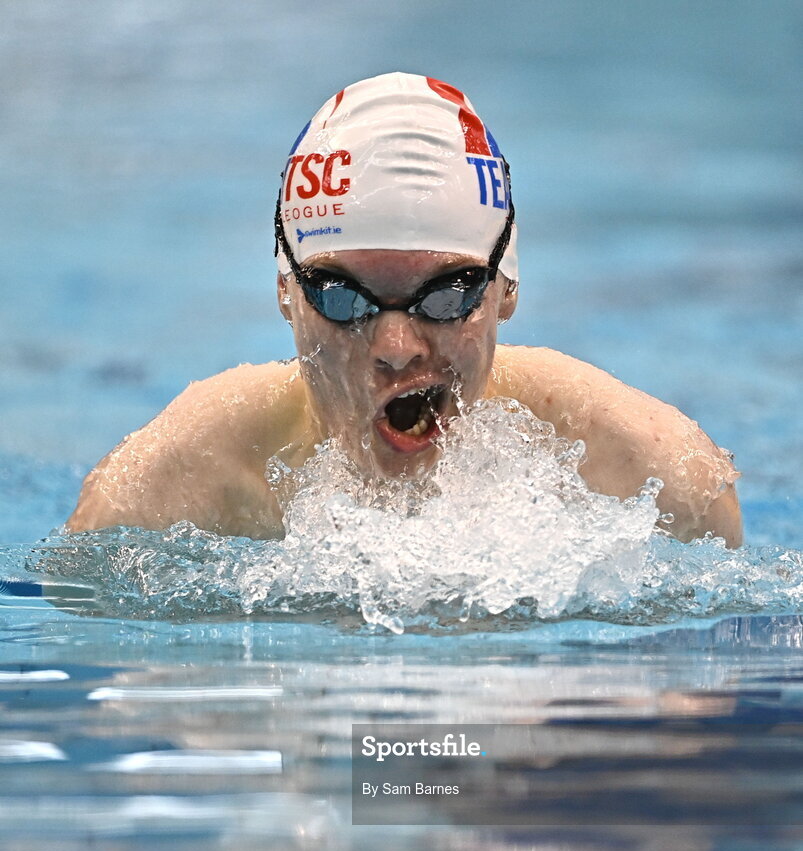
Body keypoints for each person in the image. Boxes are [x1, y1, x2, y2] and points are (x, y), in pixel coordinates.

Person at [66, 72, 742, 546]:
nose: (394, 346)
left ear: (505, 288)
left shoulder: (651, 481)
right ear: (284, 291)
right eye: (340, 295)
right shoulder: (162, 494)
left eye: (447, 295)